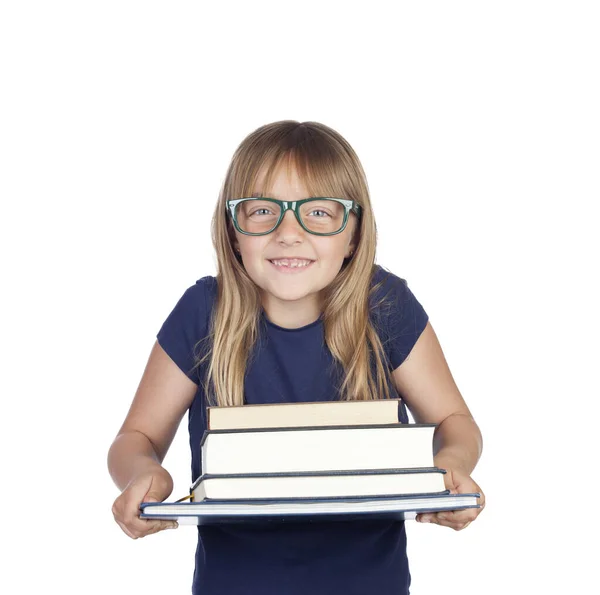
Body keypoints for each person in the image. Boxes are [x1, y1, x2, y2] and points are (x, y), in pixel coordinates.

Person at [107, 120, 485, 595]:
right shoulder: (203, 312)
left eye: (320, 213)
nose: (289, 233)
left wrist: (449, 464)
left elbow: (455, 420)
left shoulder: (385, 306)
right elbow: (135, 437)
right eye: (263, 210)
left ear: (353, 235)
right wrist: (145, 473)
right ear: (233, 230)